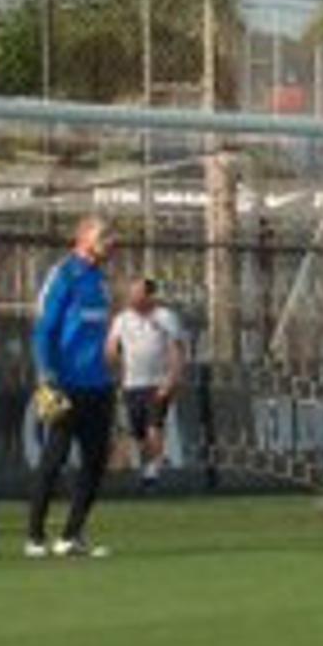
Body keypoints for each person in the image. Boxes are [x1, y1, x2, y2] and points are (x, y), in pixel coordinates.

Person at [24, 215, 120, 558]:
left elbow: (100, 332)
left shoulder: (101, 280)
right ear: (83, 238)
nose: (112, 240)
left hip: (99, 385)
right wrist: (46, 375)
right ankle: (34, 535)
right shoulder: (64, 275)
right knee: (54, 458)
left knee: (96, 461)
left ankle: (70, 535)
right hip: (66, 383)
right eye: (104, 234)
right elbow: (44, 329)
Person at [113, 276, 190, 489]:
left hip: (157, 382)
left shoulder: (165, 317)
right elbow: (112, 347)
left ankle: (153, 472)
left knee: (154, 427)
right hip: (131, 384)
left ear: (149, 296)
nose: (132, 297)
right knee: (137, 431)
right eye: (131, 292)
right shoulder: (122, 320)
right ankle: (148, 463)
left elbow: (178, 350)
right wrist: (115, 367)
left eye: (138, 293)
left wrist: (171, 380)